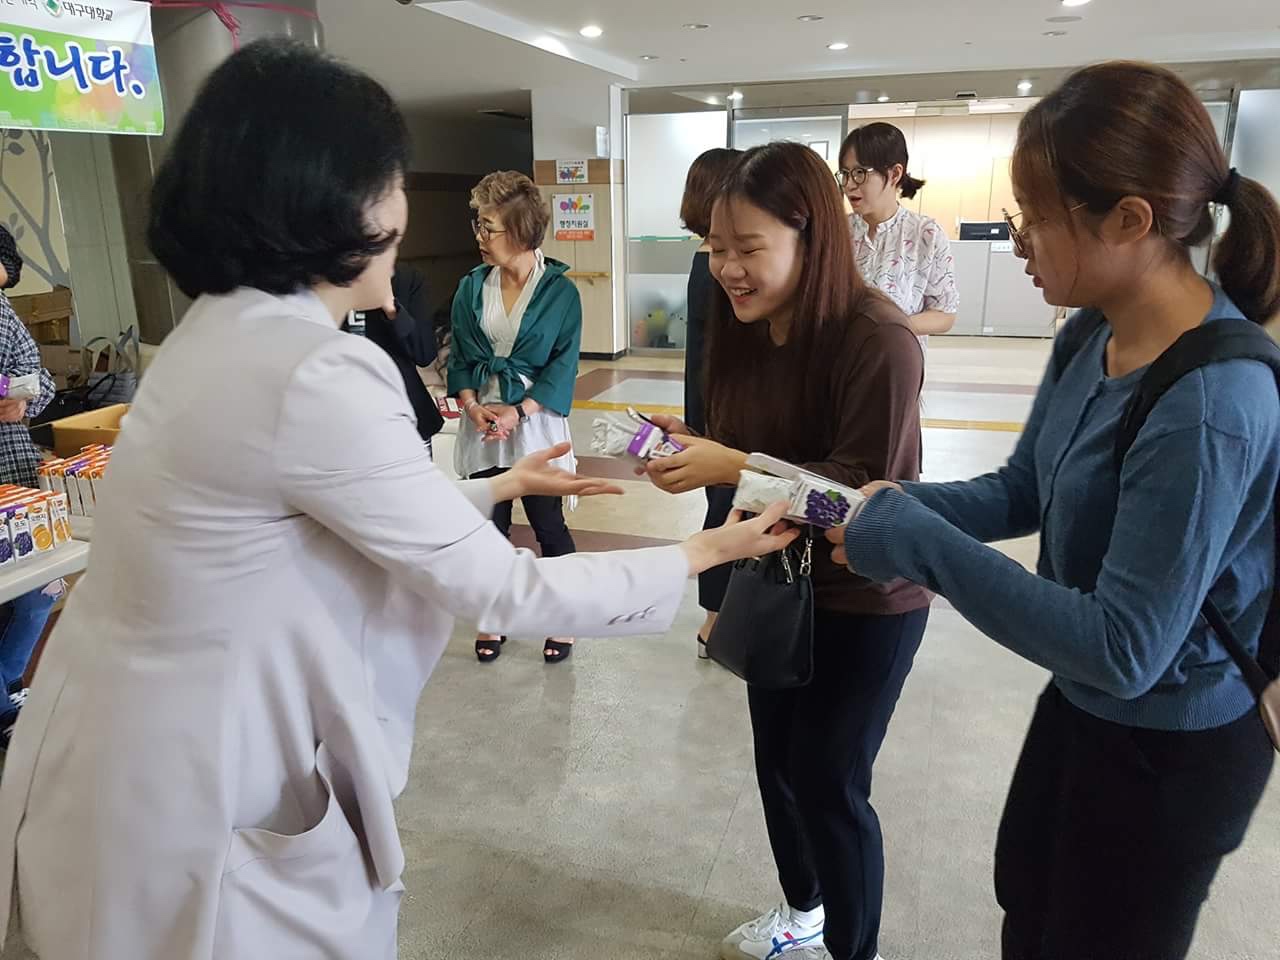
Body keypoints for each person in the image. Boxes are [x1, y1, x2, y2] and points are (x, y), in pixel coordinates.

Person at [0, 40, 797, 960]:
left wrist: (503, 481)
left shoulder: (209, 336)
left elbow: (328, 507)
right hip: (205, 788)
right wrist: (702, 552)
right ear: (345, 203)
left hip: (109, 760)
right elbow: (505, 588)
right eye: (395, 181)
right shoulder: (315, 368)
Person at [831, 61, 1280, 960]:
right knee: (1028, 902)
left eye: (1035, 217)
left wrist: (918, 544)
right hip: (1083, 707)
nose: (1020, 241)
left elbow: (1122, 648)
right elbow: (1022, 490)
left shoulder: (1209, 400)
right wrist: (894, 501)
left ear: (1130, 220)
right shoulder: (1093, 332)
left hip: (1170, 749)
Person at [644, 141, 929, 960]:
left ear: (812, 236)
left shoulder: (878, 339)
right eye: (715, 247)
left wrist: (732, 466)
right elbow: (747, 441)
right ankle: (805, 911)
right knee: (778, 764)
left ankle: (855, 949)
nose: (727, 269)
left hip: (865, 597)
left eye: (747, 248)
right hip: (772, 581)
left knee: (830, 782)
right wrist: (695, 442)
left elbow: (859, 505)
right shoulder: (745, 327)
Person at [447, 171, 583, 665]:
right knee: (489, 526)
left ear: (522, 231)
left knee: (548, 524)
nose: (479, 237)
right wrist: (472, 405)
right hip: (483, 424)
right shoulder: (471, 288)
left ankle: (563, 615)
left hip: (535, 425)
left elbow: (562, 366)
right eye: (478, 225)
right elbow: (461, 357)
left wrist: (518, 411)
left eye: (489, 227)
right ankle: (495, 612)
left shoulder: (560, 293)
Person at [679, 147, 743, 659]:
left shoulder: (707, 259)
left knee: (726, 506)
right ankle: (714, 621)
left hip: (710, 405)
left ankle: (721, 616)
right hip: (724, 408)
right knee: (726, 510)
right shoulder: (716, 266)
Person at [0, 225, 60, 750]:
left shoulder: (5, 315)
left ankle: (8, 690)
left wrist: (23, 401)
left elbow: (42, 381)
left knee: (42, 582)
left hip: (15, 465)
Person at [838, 122, 958, 343]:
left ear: (894, 174)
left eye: (859, 173)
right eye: (845, 174)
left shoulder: (926, 234)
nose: (849, 185)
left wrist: (889, 327)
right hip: (842, 355)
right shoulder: (838, 231)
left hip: (897, 354)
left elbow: (945, 314)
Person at [345, 262, 445, 449]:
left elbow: (424, 354)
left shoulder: (406, 278)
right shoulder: (326, 281)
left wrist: (391, 308)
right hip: (348, 417)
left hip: (405, 415)